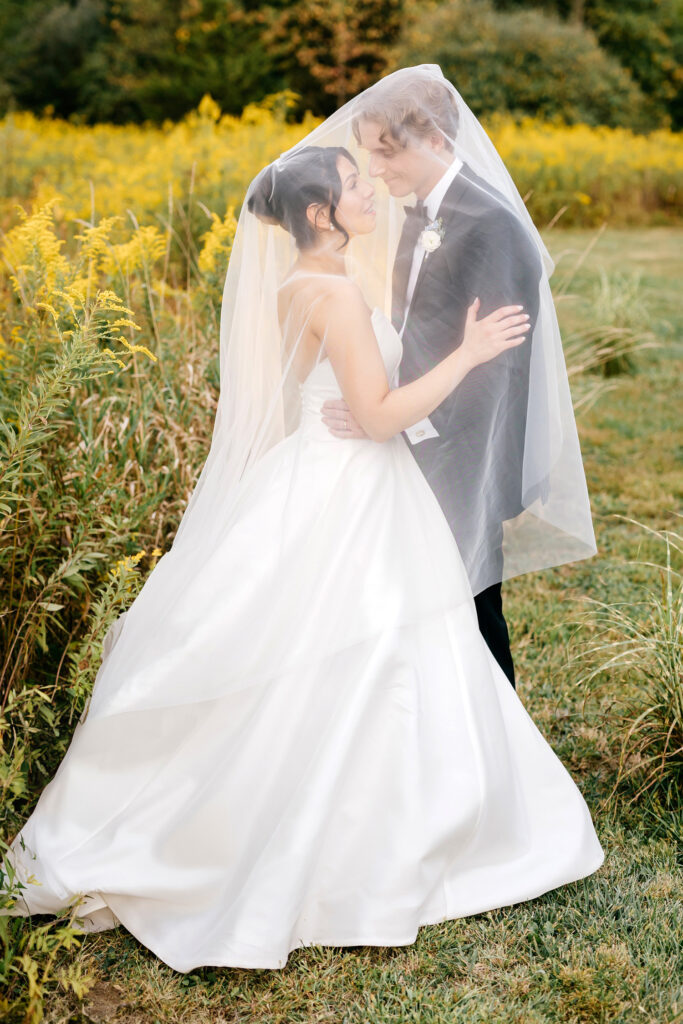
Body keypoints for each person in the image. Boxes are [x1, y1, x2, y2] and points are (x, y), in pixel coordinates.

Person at [1, 69, 604, 974]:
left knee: (329, 653)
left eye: (371, 169)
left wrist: (381, 387)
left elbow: (328, 397)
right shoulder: (336, 295)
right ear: (323, 216)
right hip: (362, 478)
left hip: (320, 481)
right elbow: (376, 415)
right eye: (353, 184)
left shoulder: (299, 286)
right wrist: (469, 352)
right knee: (379, 655)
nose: (368, 185)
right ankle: (399, 832)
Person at [321, 72, 596, 690]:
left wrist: (397, 424)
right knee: (422, 604)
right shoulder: (422, 212)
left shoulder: (492, 224)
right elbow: (415, 328)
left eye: (384, 152)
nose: (375, 168)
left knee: (472, 602)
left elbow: (497, 368)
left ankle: (499, 741)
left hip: (462, 451)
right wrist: (373, 404)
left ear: (434, 139)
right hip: (413, 432)